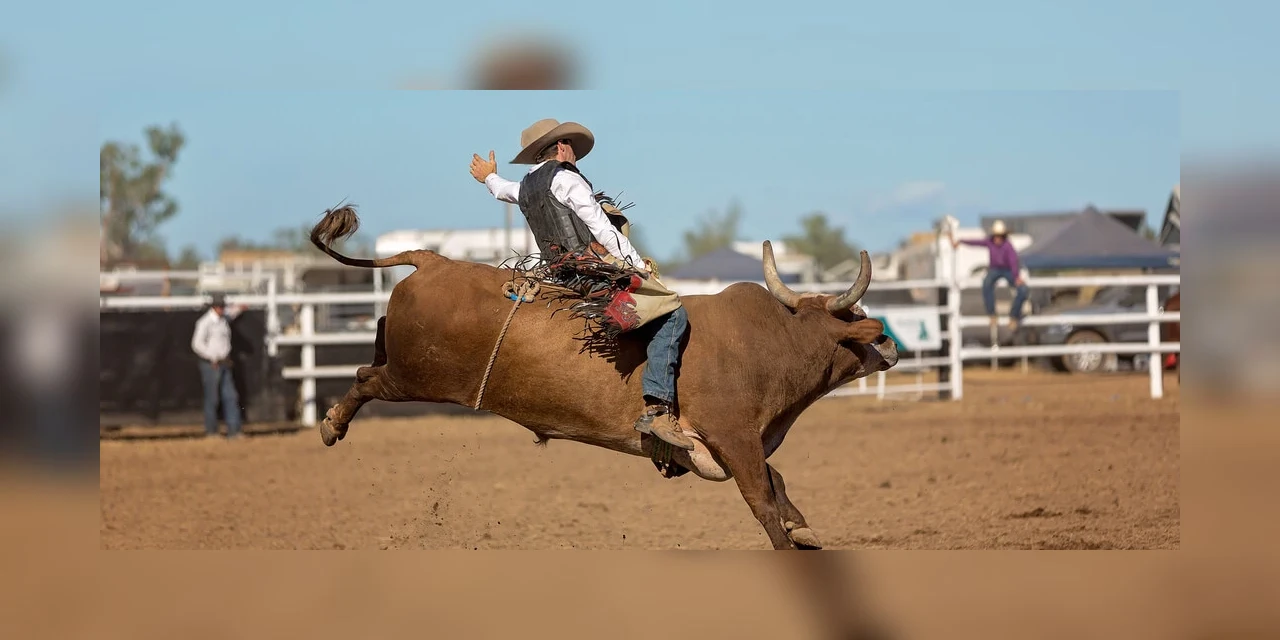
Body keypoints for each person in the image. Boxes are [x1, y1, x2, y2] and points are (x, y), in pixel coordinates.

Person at [469, 118, 696, 452]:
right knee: (671, 313)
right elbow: (600, 227)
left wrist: (488, 175)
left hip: (558, 275)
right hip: (591, 274)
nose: (575, 153)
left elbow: (503, 190)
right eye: (572, 146)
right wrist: (637, 266)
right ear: (562, 147)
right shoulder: (566, 180)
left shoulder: (528, 185)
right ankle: (658, 409)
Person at [950, 219, 1030, 330]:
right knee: (986, 283)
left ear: (1003, 235)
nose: (997, 238)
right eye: (996, 235)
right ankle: (992, 314)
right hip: (994, 269)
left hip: (1007, 270)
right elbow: (975, 242)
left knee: (1023, 290)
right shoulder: (990, 242)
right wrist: (961, 241)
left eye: (1000, 236)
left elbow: (1013, 261)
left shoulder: (1008, 246)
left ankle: (1013, 316)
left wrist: (1016, 276)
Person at [191, 293, 247, 439]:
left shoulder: (223, 319)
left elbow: (232, 313)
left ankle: (234, 430)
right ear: (214, 307)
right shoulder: (205, 323)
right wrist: (212, 357)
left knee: (230, 396)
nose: (222, 309)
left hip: (224, 362)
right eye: (219, 306)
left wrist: (241, 307)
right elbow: (197, 344)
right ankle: (212, 431)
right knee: (213, 398)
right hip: (212, 364)